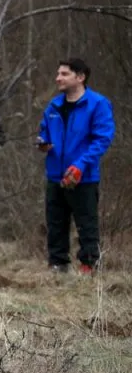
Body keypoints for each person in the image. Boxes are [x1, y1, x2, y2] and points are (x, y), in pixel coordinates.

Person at [37, 58, 115, 274]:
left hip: (84, 177)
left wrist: (80, 165)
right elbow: (44, 130)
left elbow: (102, 139)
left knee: (86, 224)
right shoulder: (54, 105)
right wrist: (42, 142)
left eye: (64, 74)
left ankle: (89, 267)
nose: (58, 78)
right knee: (55, 224)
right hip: (55, 175)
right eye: (58, 73)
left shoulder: (98, 104)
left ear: (80, 77)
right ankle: (57, 266)